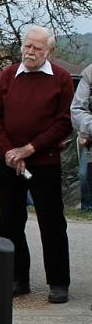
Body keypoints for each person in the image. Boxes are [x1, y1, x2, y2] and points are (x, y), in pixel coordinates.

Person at [0, 26, 74, 304]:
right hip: (9, 161)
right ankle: (17, 278)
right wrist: (10, 151)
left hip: (44, 161)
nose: (30, 52)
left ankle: (58, 282)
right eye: (27, 46)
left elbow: (63, 122)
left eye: (37, 48)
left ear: (49, 51)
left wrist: (30, 148)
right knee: (10, 222)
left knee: (52, 223)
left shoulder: (60, 78)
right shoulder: (8, 76)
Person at [71, 62, 92, 212]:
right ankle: (86, 207)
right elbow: (77, 109)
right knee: (84, 175)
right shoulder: (89, 72)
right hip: (91, 138)